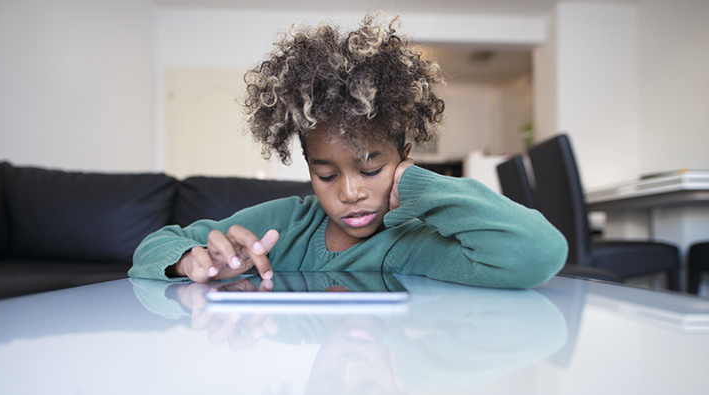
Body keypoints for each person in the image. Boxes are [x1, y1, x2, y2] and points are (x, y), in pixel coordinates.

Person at [128, 13, 568, 289]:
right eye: (326, 174)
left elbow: (538, 253)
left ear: (404, 158)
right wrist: (191, 263)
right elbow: (154, 245)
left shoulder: (411, 241)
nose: (350, 192)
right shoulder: (282, 227)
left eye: (373, 169)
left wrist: (416, 183)